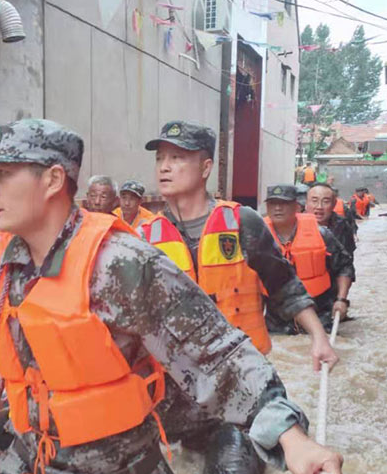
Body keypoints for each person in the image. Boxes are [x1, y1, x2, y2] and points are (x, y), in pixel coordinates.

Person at [0, 118, 343, 474]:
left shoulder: (122, 263)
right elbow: (19, 343)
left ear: (52, 180)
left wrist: (293, 439)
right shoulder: (2, 255)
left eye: (3, 175)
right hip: (29, 471)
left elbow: (217, 353)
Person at [140, 121, 337, 367]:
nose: (164, 167)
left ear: (205, 168)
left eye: (177, 158)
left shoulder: (241, 222)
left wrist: (319, 337)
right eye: (159, 159)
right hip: (180, 375)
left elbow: (283, 285)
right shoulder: (145, 237)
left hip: (243, 366)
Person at [263, 185, 354, 332]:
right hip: (277, 318)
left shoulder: (321, 233)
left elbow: (345, 266)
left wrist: (341, 300)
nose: (277, 208)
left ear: (296, 207)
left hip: (319, 312)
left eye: (284, 204)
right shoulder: (257, 236)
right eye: (273, 204)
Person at [307, 183, 356, 256]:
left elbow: (347, 259)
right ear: (306, 203)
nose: (319, 206)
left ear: (334, 204)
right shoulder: (294, 225)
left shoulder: (343, 226)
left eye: (326, 202)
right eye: (314, 201)